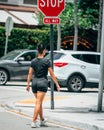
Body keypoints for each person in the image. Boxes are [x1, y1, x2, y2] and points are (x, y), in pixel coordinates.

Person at [26, 43, 60, 128]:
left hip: (34, 83)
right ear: (44, 51)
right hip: (42, 83)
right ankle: (33, 121)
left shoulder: (33, 61)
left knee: (39, 102)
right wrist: (57, 84)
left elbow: (30, 74)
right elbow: (52, 74)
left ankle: (42, 120)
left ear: (38, 51)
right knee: (38, 102)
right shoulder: (47, 61)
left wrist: (28, 85)